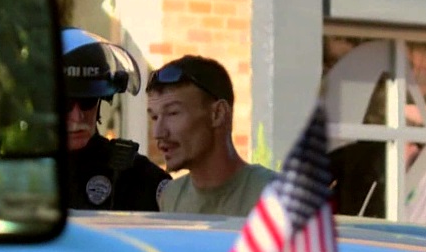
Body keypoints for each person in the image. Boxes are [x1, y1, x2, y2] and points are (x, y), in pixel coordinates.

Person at [146, 55, 276, 216]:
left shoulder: (273, 196)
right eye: (154, 117)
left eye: (173, 113)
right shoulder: (171, 196)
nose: (158, 132)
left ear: (218, 114)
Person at [62, 27, 171, 211]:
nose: (77, 116)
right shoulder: (16, 169)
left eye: (87, 101)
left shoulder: (132, 174)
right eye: (65, 104)